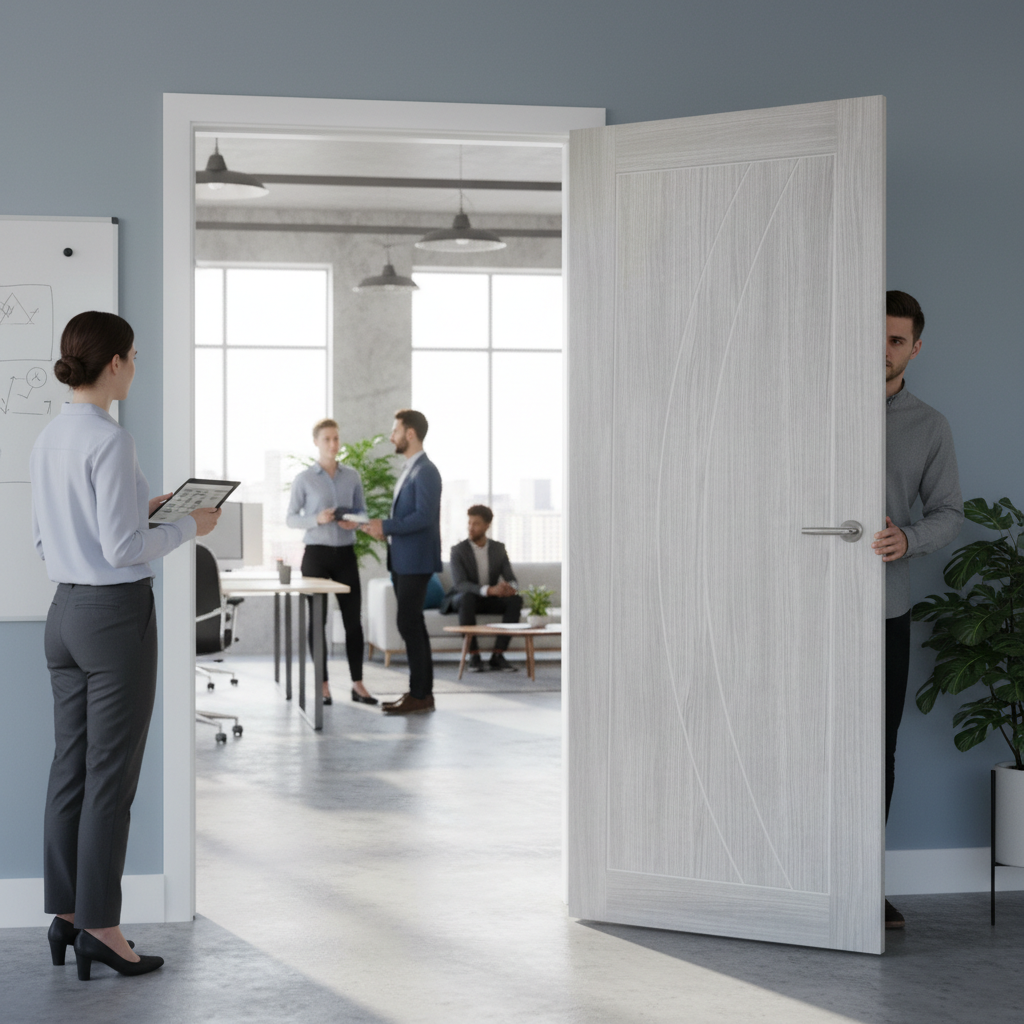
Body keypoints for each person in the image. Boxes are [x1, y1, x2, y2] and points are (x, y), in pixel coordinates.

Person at [30, 311, 221, 979]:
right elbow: (121, 549)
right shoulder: (111, 440)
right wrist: (188, 527)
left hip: (64, 615)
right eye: (133, 355)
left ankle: (67, 914)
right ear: (112, 362)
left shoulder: (51, 435)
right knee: (111, 778)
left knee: (71, 770)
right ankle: (103, 930)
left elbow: (52, 536)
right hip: (114, 618)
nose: (137, 366)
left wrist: (152, 509)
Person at [872, 290, 963, 929]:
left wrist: (908, 539)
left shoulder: (929, 426)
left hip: (885, 611)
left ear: (915, 348)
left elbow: (949, 513)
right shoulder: (810, 408)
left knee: (878, 749)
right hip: (806, 613)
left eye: (896, 340)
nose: (882, 350)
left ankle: (862, 883)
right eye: (874, 336)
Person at [286, 418, 376, 706]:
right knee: (318, 621)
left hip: (345, 555)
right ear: (316, 442)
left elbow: (362, 512)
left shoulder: (352, 476)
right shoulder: (305, 479)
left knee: (353, 622)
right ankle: (323, 685)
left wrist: (355, 523)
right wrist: (316, 519)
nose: (333, 444)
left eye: (336, 438)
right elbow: (290, 518)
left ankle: (358, 684)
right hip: (316, 556)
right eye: (327, 439)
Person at [361, 409, 442, 715]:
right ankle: (420, 693)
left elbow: (423, 517)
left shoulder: (426, 471)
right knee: (412, 624)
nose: (391, 436)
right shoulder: (411, 469)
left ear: (410, 433)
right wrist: (385, 533)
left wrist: (388, 526)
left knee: (408, 623)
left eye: (395, 431)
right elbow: (408, 519)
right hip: (404, 559)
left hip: (416, 562)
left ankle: (421, 694)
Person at [442, 504, 522, 672]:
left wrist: (510, 588)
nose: (471, 527)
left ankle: (498, 655)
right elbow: (461, 584)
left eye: (476, 523)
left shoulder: (498, 549)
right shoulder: (458, 550)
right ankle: (474, 655)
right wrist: (489, 590)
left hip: (488, 599)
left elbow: (512, 578)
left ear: (487, 525)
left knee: (516, 600)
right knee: (466, 598)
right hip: (463, 598)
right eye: (469, 523)